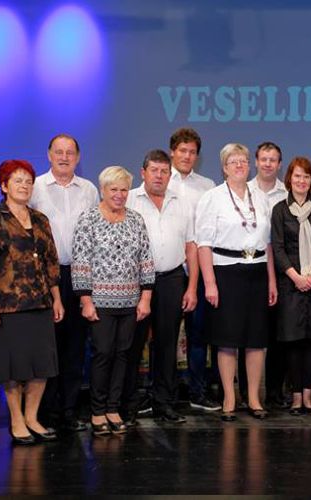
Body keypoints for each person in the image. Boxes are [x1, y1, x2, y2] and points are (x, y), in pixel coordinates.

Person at [0, 159, 64, 445]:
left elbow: (51, 263)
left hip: (41, 302)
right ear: (4, 186)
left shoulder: (40, 219)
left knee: (42, 364)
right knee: (12, 367)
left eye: (28, 181)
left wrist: (56, 298)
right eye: (17, 181)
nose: (24, 185)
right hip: (8, 305)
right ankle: (16, 420)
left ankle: (32, 417)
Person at [195, 143, 278, 421]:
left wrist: (271, 281)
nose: (240, 165)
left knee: (256, 339)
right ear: (224, 168)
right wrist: (210, 283)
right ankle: (229, 398)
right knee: (227, 339)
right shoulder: (213, 198)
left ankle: (253, 397)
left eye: (243, 161)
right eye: (234, 161)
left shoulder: (260, 197)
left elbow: (268, 244)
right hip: (226, 273)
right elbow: (203, 244)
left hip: (257, 271)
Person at [72, 166, 155, 436]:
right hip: (100, 302)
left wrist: (145, 298)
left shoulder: (136, 219)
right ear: (103, 190)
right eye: (113, 189)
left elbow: (146, 259)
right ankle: (97, 410)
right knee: (103, 354)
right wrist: (86, 300)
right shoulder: (88, 219)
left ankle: (113, 408)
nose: (119, 195)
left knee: (123, 355)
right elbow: (81, 262)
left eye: (123, 190)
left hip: (131, 301)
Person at [29, 133, 99, 432]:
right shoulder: (35, 188)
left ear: (78, 158)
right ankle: (45, 411)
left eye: (70, 152)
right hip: (46, 276)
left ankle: (69, 410)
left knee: (75, 345)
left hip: (81, 274)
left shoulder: (89, 190)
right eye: (59, 151)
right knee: (48, 346)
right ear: (49, 155)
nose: (64, 157)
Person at [123, 150, 198, 425]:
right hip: (135, 282)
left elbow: (191, 247)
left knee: (167, 344)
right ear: (143, 173)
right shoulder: (129, 199)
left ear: (170, 174)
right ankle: (128, 405)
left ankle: (164, 403)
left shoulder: (181, 202)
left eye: (164, 171)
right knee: (133, 344)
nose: (159, 176)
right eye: (154, 170)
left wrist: (192, 287)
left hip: (172, 279)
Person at [270, 157, 311, 415]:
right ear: (289, 179)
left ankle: (308, 395)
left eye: (306, 176)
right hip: (290, 284)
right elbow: (278, 248)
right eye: (297, 176)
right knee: (293, 341)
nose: (301, 181)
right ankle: (295, 396)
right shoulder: (279, 210)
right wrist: (296, 277)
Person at [169, 127, 221, 413]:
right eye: (182, 151)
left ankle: (197, 392)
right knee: (164, 336)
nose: (187, 156)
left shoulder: (207, 186)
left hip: (198, 271)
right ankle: (161, 394)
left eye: (192, 152)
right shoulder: (160, 180)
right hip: (168, 269)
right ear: (172, 152)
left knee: (198, 335)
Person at [247, 141, 289, 409]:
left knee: (276, 334)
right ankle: (245, 394)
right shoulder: (242, 190)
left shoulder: (287, 193)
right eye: (264, 159)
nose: (268, 164)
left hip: (280, 271)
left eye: (273, 160)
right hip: (250, 269)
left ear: (279, 164)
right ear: (256, 161)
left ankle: (274, 392)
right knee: (248, 332)